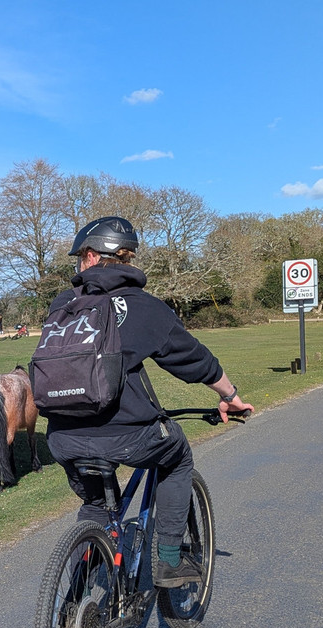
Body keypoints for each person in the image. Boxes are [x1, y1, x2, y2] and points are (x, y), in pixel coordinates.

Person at [43, 216, 252, 588]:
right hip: (126, 435)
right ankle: (169, 560)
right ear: (127, 258)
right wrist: (230, 396)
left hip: (63, 437)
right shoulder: (144, 306)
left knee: (96, 503)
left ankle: (75, 594)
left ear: (90, 257)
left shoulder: (62, 304)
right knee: (178, 456)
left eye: (79, 258)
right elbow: (194, 360)